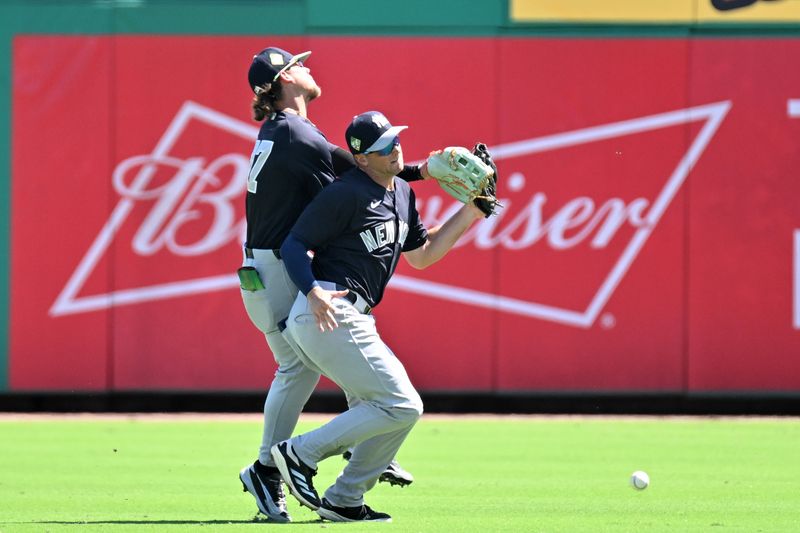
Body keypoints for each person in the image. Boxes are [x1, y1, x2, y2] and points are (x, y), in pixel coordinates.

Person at [272, 111, 488, 522]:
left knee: (398, 409)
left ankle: (345, 498)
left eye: (395, 141)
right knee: (401, 404)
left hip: (353, 317)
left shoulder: (403, 192)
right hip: (328, 310)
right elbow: (295, 244)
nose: (395, 150)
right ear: (361, 159)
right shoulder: (346, 193)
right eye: (384, 147)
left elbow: (423, 256)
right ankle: (299, 454)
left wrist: (473, 211)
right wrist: (312, 290)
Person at [237, 47, 422, 522]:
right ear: (283, 82)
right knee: (301, 365)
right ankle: (268, 465)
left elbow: (356, 169)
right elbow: (357, 171)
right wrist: (424, 173)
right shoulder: (295, 130)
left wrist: (419, 174)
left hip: (266, 263)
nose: (308, 67)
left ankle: (363, 432)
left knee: (311, 358)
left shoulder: (287, 128)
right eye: (297, 65)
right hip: (276, 264)